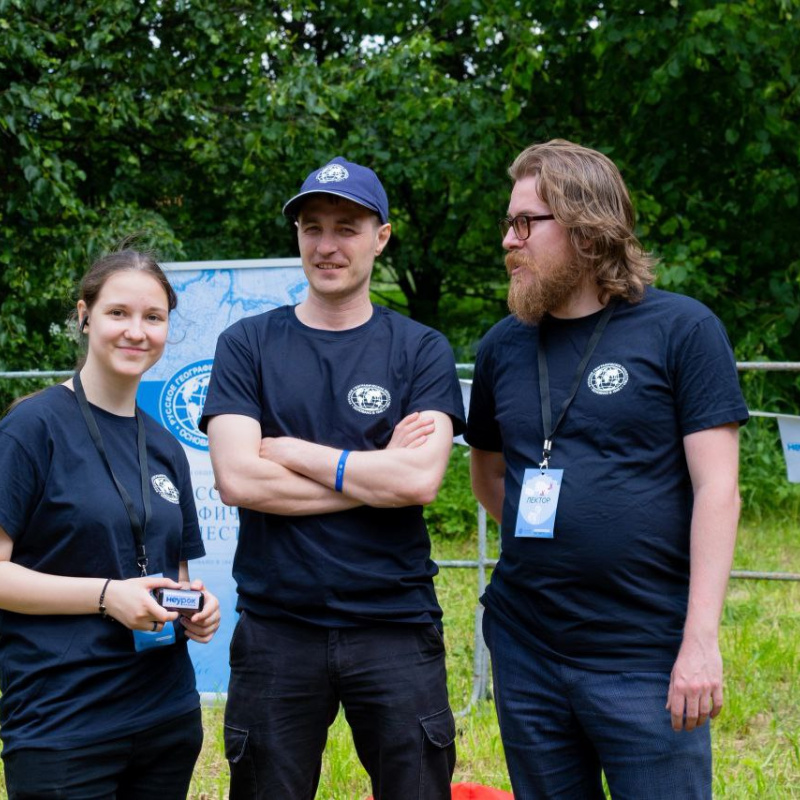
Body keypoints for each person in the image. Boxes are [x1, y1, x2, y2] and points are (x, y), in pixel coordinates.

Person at [466, 139, 749, 799]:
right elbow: (489, 476)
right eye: (508, 223)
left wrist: (700, 641)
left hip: (645, 653)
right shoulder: (501, 347)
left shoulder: (681, 330)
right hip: (526, 647)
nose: (508, 241)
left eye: (525, 223)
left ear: (587, 230)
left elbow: (719, 489)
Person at [200, 156, 465, 800]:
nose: (327, 245)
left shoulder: (421, 349)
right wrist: (375, 477)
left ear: (381, 237)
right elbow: (238, 480)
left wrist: (290, 451)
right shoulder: (247, 345)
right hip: (276, 626)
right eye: (312, 227)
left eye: (347, 228)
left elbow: (418, 482)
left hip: (394, 623)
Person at [0, 247, 221, 799]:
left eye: (153, 317)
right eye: (118, 312)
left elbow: (173, 575)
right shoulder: (31, 429)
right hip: (63, 722)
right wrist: (106, 596)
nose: (136, 331)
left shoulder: (165, 446)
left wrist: (195, 609)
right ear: (84, 316)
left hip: (166, 717)